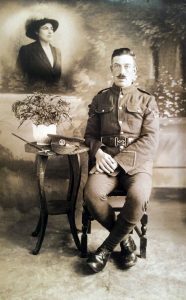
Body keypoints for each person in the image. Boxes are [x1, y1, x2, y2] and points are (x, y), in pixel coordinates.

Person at [84, 48, 159, 273]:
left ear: (134, 71)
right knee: (91, 194)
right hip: (106, 161)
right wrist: (97, 152)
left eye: (127, 66)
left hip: (137, 165)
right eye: (117, 66)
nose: (121, 71)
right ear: (111, 69)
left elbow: (150, 140)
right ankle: (126, 242)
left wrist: (120, 162)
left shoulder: (147, 100)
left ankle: (106, 248)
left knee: (138, 196)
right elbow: (89, 136)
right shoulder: (100, 99)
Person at [16, 18, 61, 86]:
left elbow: (58, 77)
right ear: (37, 31)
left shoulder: (57, 51)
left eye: (51, 28)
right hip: (33, 93)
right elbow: (18, 75)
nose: (50, 31)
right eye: (45, 28)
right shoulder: (27, 50)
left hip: (56, 93)